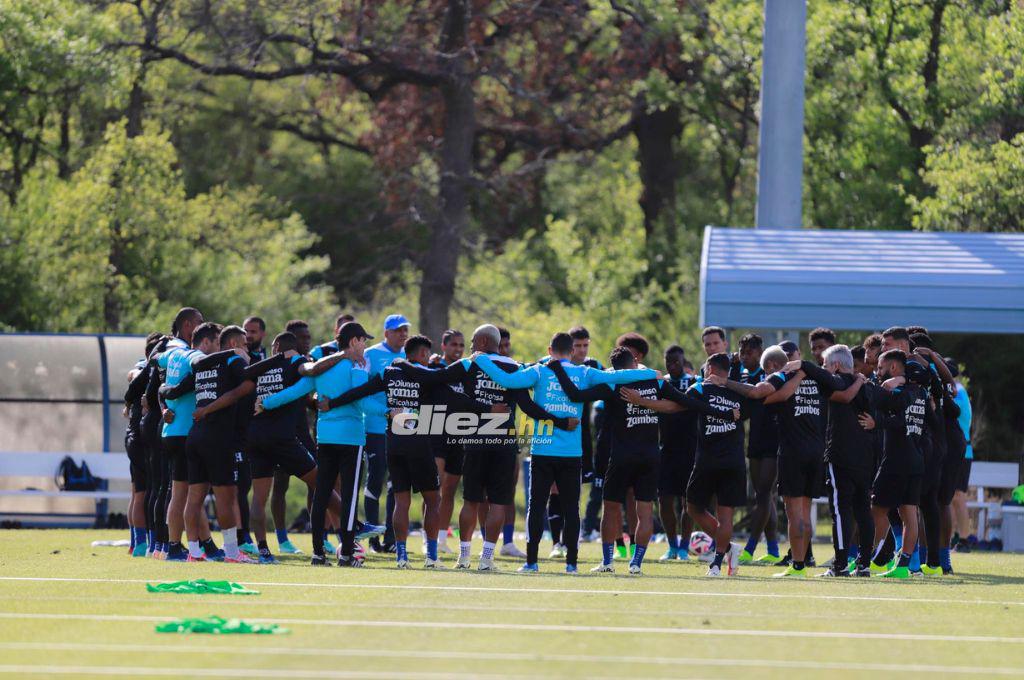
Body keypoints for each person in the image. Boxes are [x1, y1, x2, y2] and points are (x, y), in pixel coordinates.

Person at [393, 324, 570, 571]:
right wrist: (561, 422)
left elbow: (431, 378)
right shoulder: (515, 368)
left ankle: (464, 558)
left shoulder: (470, 363)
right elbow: (528, 407)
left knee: (470, 500)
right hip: (504, 441)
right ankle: (486, 560)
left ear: (484, 342)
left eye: (474, 342)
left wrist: (403, 364)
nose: (472, 347)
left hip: (475, 439)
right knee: (499, 502)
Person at [476, 334, 654, 573]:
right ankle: (571, 564)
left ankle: (532, 563)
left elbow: (505, 379)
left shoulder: (539, 372)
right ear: (572, 351)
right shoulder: (584, 373)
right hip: (572, 453)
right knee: (572, 509)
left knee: (536, 507)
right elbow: (619, 375)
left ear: (550, 350)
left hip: (543, 449)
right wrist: (652, 374)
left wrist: (481, 359)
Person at [324, 334, 488, 568]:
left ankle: (402, 557)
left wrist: (332, 402)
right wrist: (489, 408)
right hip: (419, 443)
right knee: (434, 500)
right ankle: (431, 557)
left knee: (401, 502)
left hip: (394, 443)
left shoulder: (390, 372)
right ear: (422, 354)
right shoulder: (425, 378)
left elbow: (361, 392)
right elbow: (455, 397)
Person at [260, 322, 388, 566]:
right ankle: (348, 555)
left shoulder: (321, 370)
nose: (365, 346)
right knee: (348, 499)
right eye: (363, 341)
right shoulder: (357, 366)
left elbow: (293, 392)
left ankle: (318, 553)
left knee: (321, 495)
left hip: (325, 438)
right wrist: (389, 411)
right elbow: (361, 403)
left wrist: (266, 403)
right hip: (351, 439)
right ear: (353, 342)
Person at [623, 352, 745, 577]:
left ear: (709, 369)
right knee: (722, 513)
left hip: (707, 460)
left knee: (694, 508)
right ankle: (724, 555)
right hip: (734, 460)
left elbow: (674, 406)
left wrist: (642, 401)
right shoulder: (739, 390)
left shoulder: (700, 389)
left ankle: (719, 560)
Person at [162, 324, 257, 563]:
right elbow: (244, 387)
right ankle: (233, 553)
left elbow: (174, 390)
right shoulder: (233, 361)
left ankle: (194, 551)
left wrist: (162, 391)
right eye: (244, 343)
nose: (247, 348)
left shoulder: (202, 365)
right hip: (217, 437)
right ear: (234, 344)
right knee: (226, 497)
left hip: (195, 437)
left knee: (194, 497)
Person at [793, 346, 873, 576]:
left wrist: (802, 365)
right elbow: (884, 404)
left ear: (836, 365)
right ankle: (864, 565)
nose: (824, 370)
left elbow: (838, 388)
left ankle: (840, 565)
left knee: (841, 511)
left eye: (826, 365)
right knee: (863, 511)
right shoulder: (867, 385)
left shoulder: (836, 381)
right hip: (866, 456)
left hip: (842, 455)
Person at [862, 349, 931, 579]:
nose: (877, 372)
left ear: (893, 368)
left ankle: (877, 558)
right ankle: (904, 566)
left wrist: (876, 422)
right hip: (916, 459)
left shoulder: (900, 392)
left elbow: (897, 417)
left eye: (880, 368)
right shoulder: (920, 393)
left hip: (896, 460)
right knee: (909, 514)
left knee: (877, 508)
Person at [153, 307, 206, 561]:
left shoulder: (169, 354)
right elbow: (199, 364)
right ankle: (177, 545)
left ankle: (178, 545)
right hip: (184, 430)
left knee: (180, 492)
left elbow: (154, 364)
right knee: (185, 494)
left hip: (171, 430)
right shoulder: (190, 354)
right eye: (200, 324)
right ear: (188, 327)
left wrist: (165, 393)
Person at [734, 333, 782, 566]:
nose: (744, 356)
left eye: (749, 352)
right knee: (763, 496)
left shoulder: (770, 375)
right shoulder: (741, 372)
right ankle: (773, 549)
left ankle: (751, 547)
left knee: (764, 494)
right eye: (741, 352)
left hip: (774, 439)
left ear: (760, 352)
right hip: (755, 439)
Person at [364, 314, 410, 553]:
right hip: (374, 427)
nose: (402, 334)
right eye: (397, 330)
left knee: (397, 482)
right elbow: (362, 391)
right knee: (376, 477)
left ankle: (391, 539)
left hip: (401, 429)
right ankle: (372, 537)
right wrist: (384, 412)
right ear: (386, 333)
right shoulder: (371, 354)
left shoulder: (407, 356)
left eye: (405, 330)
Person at [122, 332, 164, 557]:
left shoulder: (146, 369)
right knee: (145, 492)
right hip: (140, 436)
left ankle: (135, 542)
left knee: (138, 492)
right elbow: (134, 373)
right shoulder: (146, 368)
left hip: (134, 435)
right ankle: (143, 543)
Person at [654, 345, 697, 562]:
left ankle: (684, 546)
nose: (672, 365)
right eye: (668, 362)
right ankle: (671, 545)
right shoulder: (660, 383)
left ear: (683, 361)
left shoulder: (694, 383)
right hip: (666, 450)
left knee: (688, 501)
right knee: (664, 500)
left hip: (691, 450)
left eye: (676, 362)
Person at [431, 329, 467, 554]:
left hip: (459, 433)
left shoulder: (466, 370)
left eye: (461, 345)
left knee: (450, 489)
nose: (458, 349)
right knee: (434, 488)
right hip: (436, 431)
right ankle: (430, 538)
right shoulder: (435, 367)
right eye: (454, 345)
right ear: (443, 346)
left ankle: (442, 538)